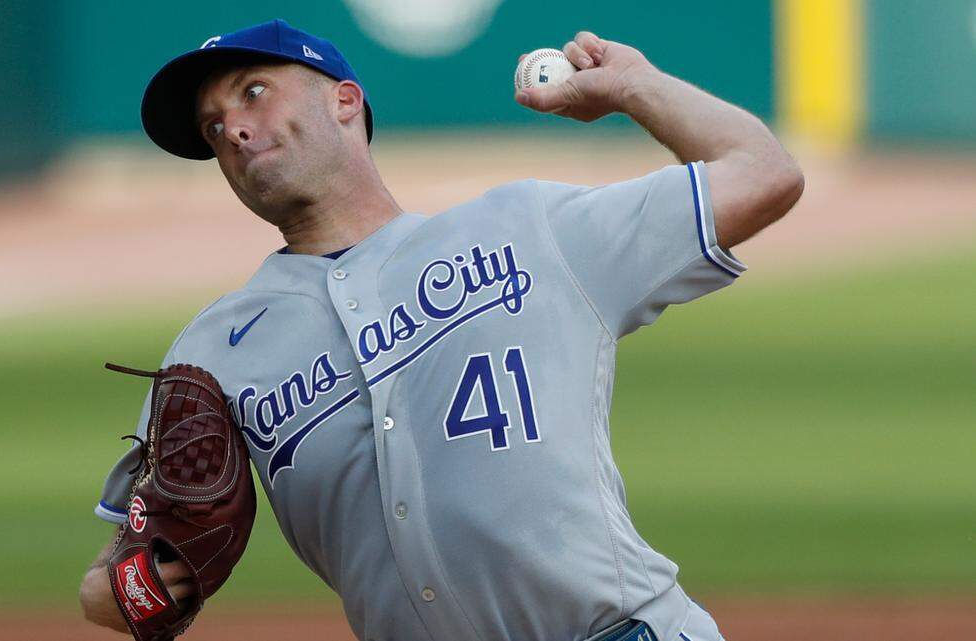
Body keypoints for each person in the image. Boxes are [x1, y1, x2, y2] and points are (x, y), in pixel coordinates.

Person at [79, 18, 803, 641]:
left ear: (344, 100)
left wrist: (633, 88)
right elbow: (120, 569)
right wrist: (138, 588)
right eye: (213, 126)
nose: (233, 129)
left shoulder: (530, 230)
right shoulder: (209, 354)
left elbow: (763, 172)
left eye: (254, 93)